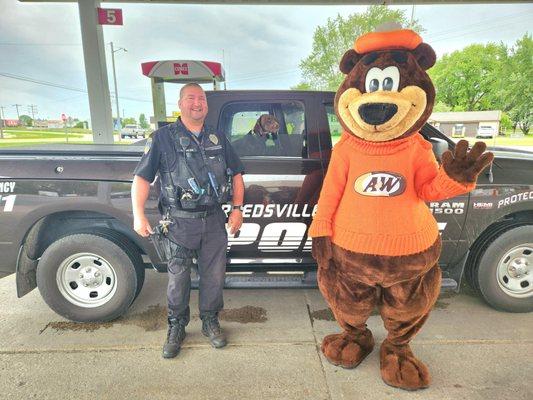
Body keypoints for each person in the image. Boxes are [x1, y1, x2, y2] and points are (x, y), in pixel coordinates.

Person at [131, 83, 245, 359]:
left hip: (214, 220)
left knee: (214, 276)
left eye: (202, 99)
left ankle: (210, 321)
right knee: (178, 279)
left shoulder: (217, 136)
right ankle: (176, 327)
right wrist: (138, 214)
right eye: (191, 98)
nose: (198, 103)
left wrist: (237, 209)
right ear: (180, 104)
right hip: (179, 222)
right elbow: (142, 178)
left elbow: (237, 173)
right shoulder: (162, 138)